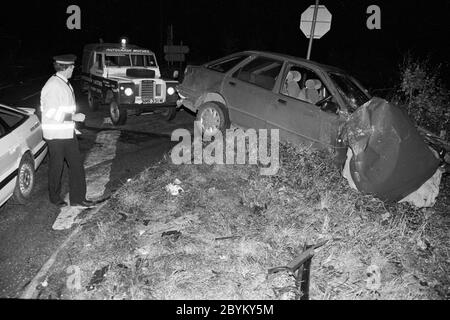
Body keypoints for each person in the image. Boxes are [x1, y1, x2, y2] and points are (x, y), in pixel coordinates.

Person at [40, 54, 94, 208]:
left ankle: (78, 198)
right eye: (71, 66)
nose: (73, 68)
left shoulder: (64, 83)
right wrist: (73, 116)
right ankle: (54, 197)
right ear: (64, 67)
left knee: (76, 165)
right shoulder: (53, 86)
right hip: (56, 135)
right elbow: (50, 112)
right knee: (57, 167)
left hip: (68, 133)